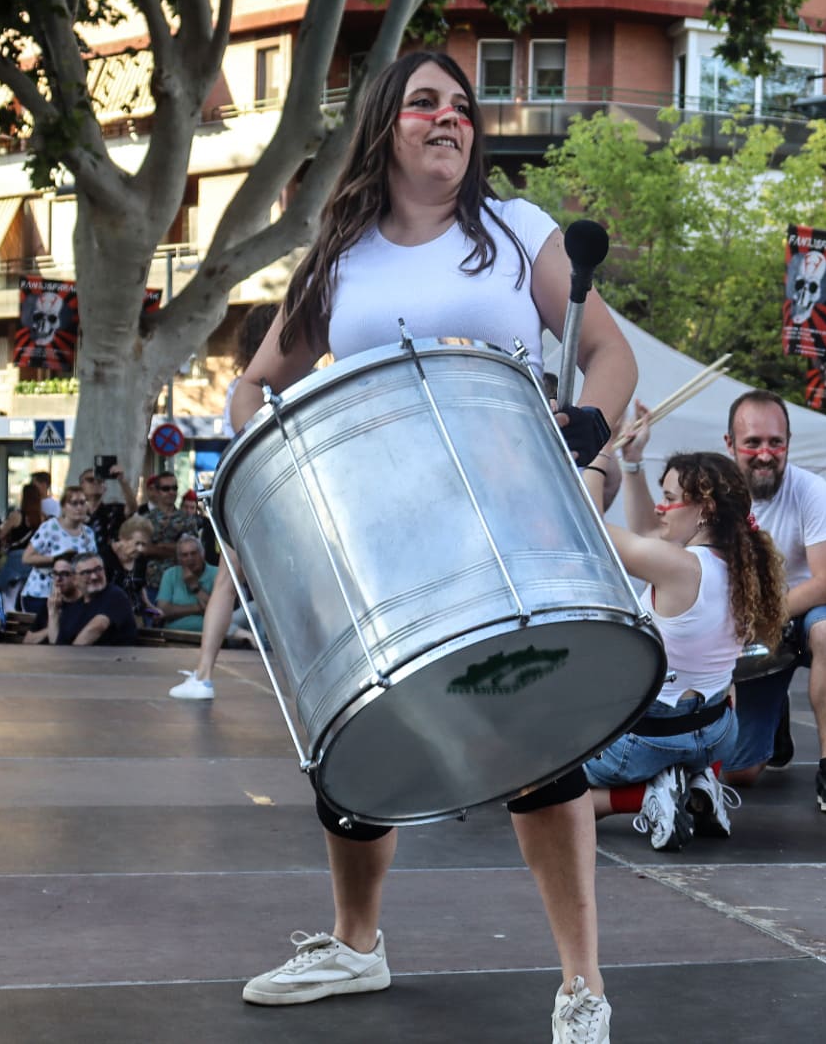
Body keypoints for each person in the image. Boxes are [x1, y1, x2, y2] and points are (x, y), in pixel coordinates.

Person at [225, 51, 637, 1040]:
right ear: (387, 124)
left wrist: (589, 429)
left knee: (537, 743)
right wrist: (256, 489)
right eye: (425, 104)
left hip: (505, 518)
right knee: (361, 724)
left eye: (461, 107)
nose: (449, 119)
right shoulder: (342, 253)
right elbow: (255, 383)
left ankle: (583, 986)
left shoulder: (515, 234)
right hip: (379, 529)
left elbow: (606, 353)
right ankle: (355, 944)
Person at [580, 448, 784, 850]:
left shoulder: (680, 567)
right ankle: (701, 780)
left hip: (648, 741)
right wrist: (634, 458)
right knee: (723, 680)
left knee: (538, 795)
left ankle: (644, 796)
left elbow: (586, 524)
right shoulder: (746, 568)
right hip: (715, 736)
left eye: (671, 499)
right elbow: (645, 534)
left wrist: (597, 457)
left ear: (704, 508)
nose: (662, 508)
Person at [697, 390, 826, 815]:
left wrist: (761, 616)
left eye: (776, 442)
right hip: (754, 626)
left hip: (806, 610)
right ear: (729, 444)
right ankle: (777, 721)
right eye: (753, 443)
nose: (765, 454)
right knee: (740, 774)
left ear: (789, 442)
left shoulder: (812, 490)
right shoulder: (714, 498)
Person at [169, 303, 278, 702]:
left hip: (249, 490)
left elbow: (242, 434)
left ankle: (203, 674)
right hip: (296, 491)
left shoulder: (241, 388)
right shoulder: (308, 378)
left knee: (225, 583)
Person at [21, 485, 98, 620]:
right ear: (63, 507)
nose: (79, 507)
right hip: (42, 594)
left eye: (82, 502)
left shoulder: (88, 533)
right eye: (74, 503)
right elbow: (26, 558)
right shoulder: (50, 527)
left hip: (73, 596)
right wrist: (56, 559)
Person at [155, 534, 219, 633]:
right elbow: (163, 610)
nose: (190, 558)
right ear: (179, 559)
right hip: (173, 635)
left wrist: (194, 586)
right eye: (185, 555)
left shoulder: (217, 573)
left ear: (202, 554)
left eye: (194, 553)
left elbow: (217, 611)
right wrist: (198, 608)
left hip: (208, 633)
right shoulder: (170, 574)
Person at [105, 516, 160, 625]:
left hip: (136, 618)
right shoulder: (105, 558)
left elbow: (140, 587)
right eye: (137, 543)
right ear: (122, 539)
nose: (140, 549)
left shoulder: (140, 560)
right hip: (110, 618)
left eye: (144, 544)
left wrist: (150, 607)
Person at [79, 462, 136, 552]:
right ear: (81, 486)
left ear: (105, 487)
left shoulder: (114, 509)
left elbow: (132, 507)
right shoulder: (75, 513)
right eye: (90, 480)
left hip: (110, 561)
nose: (95, 482)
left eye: (100, 480)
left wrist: (122, 480)